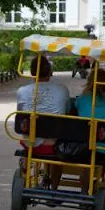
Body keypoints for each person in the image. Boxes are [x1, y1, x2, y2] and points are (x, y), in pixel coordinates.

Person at [16, 56, 70, 188]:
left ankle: (26, 162)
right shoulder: (62, 90)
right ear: (50, 72)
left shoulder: (22, 91)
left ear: (33, 72)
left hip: (30, 142)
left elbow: (20, 114)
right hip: (51, 145)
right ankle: (54, 188)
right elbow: (67, 112)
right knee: (58, 155)